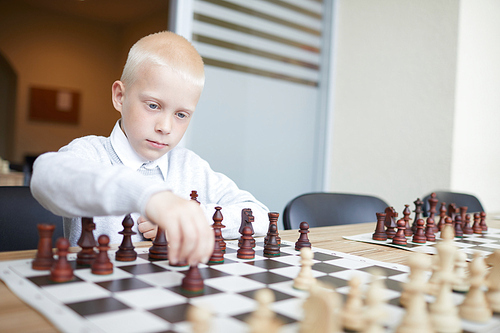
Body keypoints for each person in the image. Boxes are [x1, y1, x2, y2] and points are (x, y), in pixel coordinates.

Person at [31, 31, 269, 266]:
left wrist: (189, 219)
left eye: (181, 114)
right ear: (120, 96)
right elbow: (45, 176)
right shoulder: (91, 153)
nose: (165, 127)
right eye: (153, 105)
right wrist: (151, 198)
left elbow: (259, 215)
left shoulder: (190, 166)